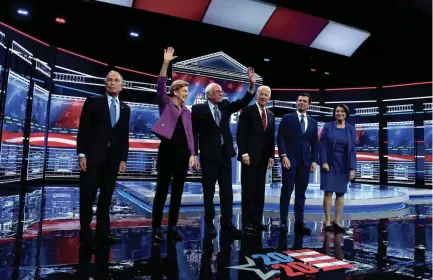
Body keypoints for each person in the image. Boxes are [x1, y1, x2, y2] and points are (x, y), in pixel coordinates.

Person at [191, 68, 256, 236]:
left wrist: (251, 85)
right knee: (209, 191)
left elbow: (242, 102)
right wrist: (194, 154)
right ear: (209, 95)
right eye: (218, 92)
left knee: (227, 192)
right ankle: (209, 223)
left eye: (221, 91)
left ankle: (227, 223)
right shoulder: (198, 110)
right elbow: (193, 133)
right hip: (208, 157)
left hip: (225, 155)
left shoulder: (226, 106)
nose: (222, 94)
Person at [77, 70, 131, 246]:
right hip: (92, 158)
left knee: (106, 197)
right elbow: (83, 129)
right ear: (105, 83)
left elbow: (124, 136)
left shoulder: (125, 108)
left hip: (113, 160)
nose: (112, 83)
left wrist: (123, 158)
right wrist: (82, 154)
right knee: (87, 195)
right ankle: (85, 231)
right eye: (109, 80)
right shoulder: (93, 102)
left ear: (121, 86)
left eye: (116, 81)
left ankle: (103, 231)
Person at [151, 47, 198, 243]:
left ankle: (172, 227)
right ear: (176, 91)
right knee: (162, 190)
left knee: (178, 192)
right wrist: (166, 63)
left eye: (187, 91)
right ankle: (156, 228)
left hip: (182, 155)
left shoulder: (187, 111)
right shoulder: (166, 102)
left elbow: (190, 135)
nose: (187, 94)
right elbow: (160, 85)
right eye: (185, 91)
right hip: (167, 153)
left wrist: (193, 154)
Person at [277, 93, 318, 235]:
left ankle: (299, 222)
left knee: (301, 194)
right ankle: (283, 221)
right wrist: (283, 156)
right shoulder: (288, 118)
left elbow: (314, 143)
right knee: (286, 191)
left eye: (304, 101)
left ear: (309, 105)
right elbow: (280, 138)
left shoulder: (313, 122)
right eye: (299, 100)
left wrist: (314, 160)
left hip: (305, 163)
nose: (301, 103)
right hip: (289, 160)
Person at [236, 85, 274, 233]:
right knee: (248, 190)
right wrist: (244, 153)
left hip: (264, 158)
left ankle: (257, 221)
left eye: (266, 95)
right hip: (250, 158)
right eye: (261, 94)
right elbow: (241, 134)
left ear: (269, 97)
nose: (263, 97)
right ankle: (246, 222)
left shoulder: (270, 114)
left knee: (259, 190)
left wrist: (271, 155)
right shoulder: (247, 111)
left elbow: (271, 137)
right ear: (256, 95)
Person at [319, 104, 356, 233]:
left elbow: (352, 151)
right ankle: (328, 221)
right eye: (337, 111)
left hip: (343, 164)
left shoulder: (351, 129)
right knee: (328, 192)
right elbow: (322, 145)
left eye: (342, 111)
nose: (339, 113)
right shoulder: (328, 126)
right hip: (329, 163)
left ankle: (337, 221)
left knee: (341, 193)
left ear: (346, 113)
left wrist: (352, 168)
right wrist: (323, 161)